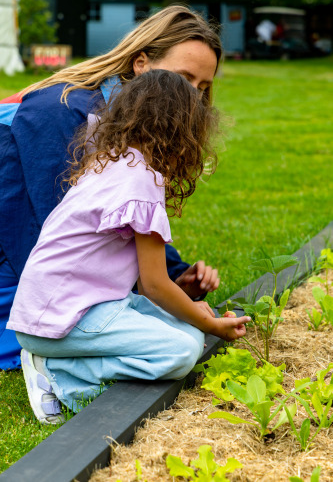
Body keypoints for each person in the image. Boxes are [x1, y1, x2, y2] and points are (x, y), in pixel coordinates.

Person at [7, 70, 251, 424]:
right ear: (182, 131)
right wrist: (211, 324)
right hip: (60, 322)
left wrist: (198, 317)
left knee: (190, 332)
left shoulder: (114, 161)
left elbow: (149, 287)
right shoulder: (143, 180)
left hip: (68, 307)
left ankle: (62, 360)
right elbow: (154, 285)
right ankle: (62, 377)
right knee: (181, 351)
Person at [0, 5, 223, 370]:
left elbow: (124, 217)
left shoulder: (137, 129)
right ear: (141, 64)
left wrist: (173, 275)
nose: (194, 99)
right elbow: (51, 230)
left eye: (203, 88)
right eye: (184, 79)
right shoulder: (60, 111)